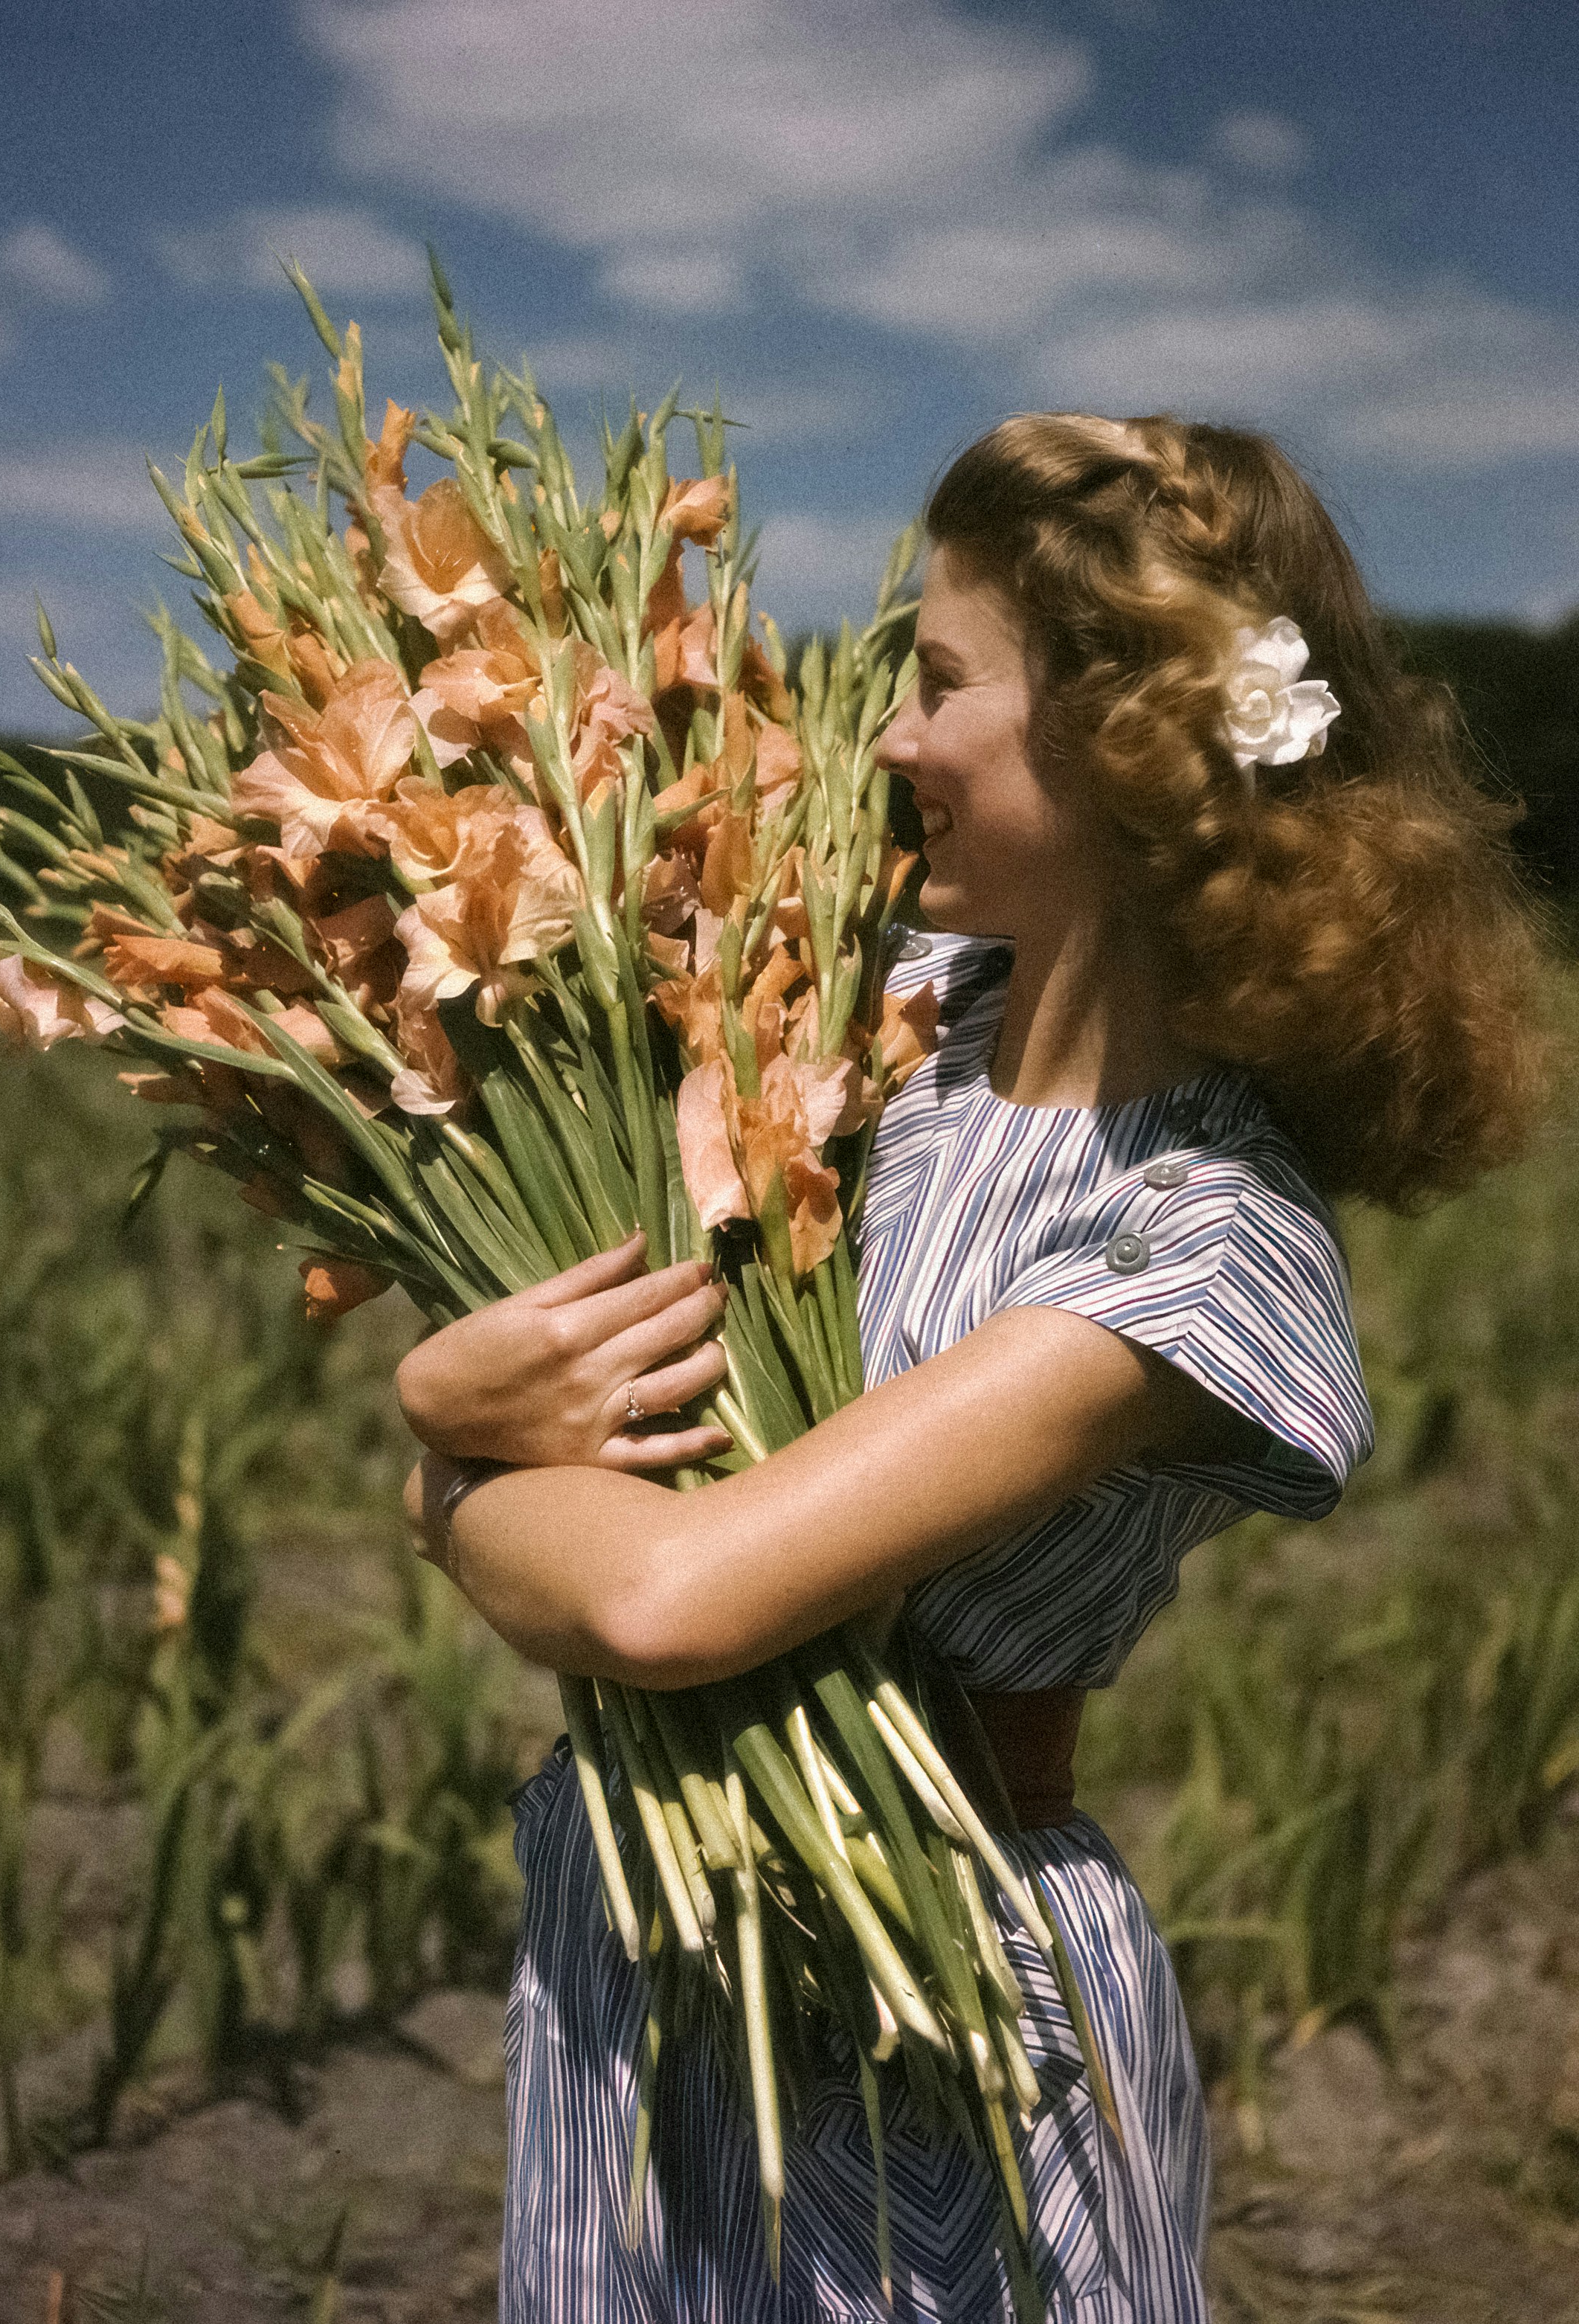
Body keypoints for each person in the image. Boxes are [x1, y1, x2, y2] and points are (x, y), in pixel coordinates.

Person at [394, 414, 1552, 2322]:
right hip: (651, 1961)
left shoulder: (1200, 1250)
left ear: (1116, 736)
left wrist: (448, 1462)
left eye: (939, 685)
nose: (890, 741)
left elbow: (672, 1594)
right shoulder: (891, 1030)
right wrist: (475, 1448)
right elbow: (607, 1515)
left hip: (931, 2014)